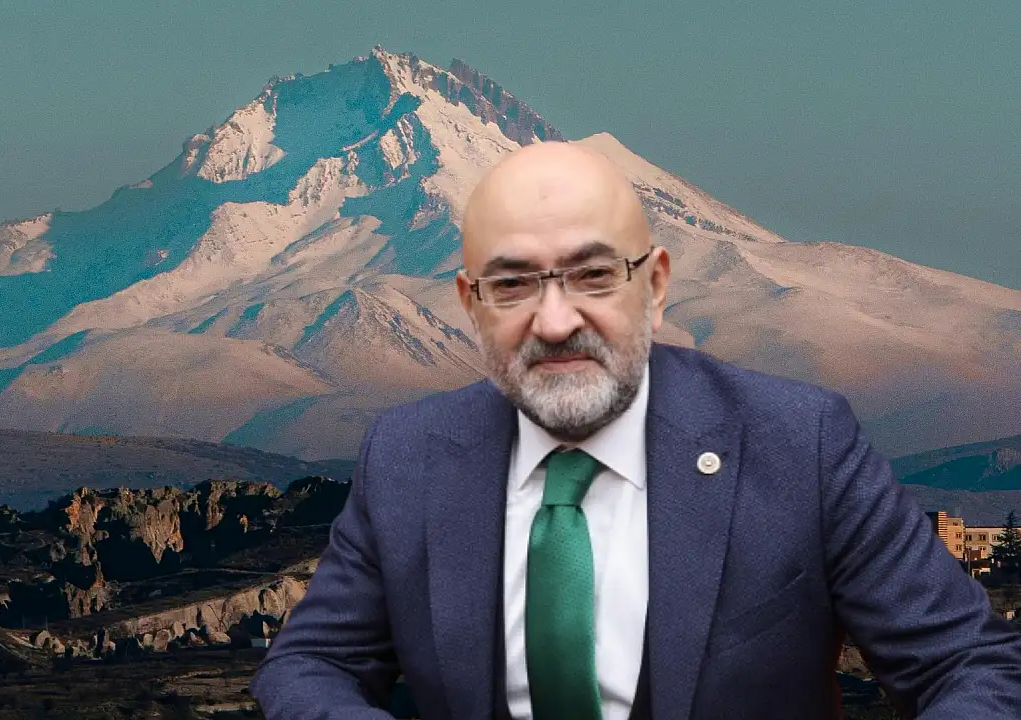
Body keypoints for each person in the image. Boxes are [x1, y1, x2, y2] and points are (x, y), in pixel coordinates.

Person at [248, 141, 1021, 719]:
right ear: (470, 304)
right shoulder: (408, 456)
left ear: (654, 285)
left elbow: (972, 667)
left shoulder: (800, 443)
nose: (555, 321)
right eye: (513, 284)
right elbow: (310, 665)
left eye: (592, 275)